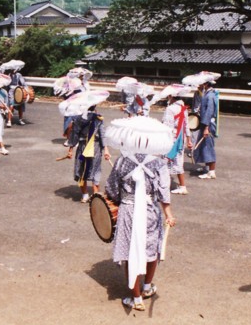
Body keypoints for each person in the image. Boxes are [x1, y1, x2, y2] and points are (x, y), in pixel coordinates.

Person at [104, 117, 175, 312]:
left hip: (128, 209)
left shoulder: (122, 161)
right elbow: (164, 193)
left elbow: (111, 189)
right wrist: (168, 213)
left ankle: (135, 298)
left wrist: (120, 198)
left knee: (130, 251)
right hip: (150, 209)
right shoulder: (159, 164)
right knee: (151, 249)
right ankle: (146, 286)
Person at [66, 105, 111, 202]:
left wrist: (70, 149)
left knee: (81, 168)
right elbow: (102, 135)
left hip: (82, 149)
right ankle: (95, 195)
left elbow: (75, 134)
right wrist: (106, 149)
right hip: (95, 149)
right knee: (96, 169)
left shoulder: (78, 119)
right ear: (94, 108)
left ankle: (85, 195)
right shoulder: (98, 118)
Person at [163, 93, 193, 195]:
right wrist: (189, 140)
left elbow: (167, 126)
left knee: (166, 160)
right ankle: (182, 185)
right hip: (181, 138)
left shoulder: (170, 109)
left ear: (171, 96)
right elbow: (186, 125)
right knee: (179, 161)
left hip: (172, 138)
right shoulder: (183, 108)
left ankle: (164, 185)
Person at [193, 79, 219, 179]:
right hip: (205, 123)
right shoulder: (207, 94)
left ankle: (211, 171)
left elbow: (209, 111)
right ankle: (207, 168)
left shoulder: (210, 95)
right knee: (204, 146)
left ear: (206, 84)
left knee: (208, 146)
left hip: (208, 124)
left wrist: (206, 127)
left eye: (203, 83)